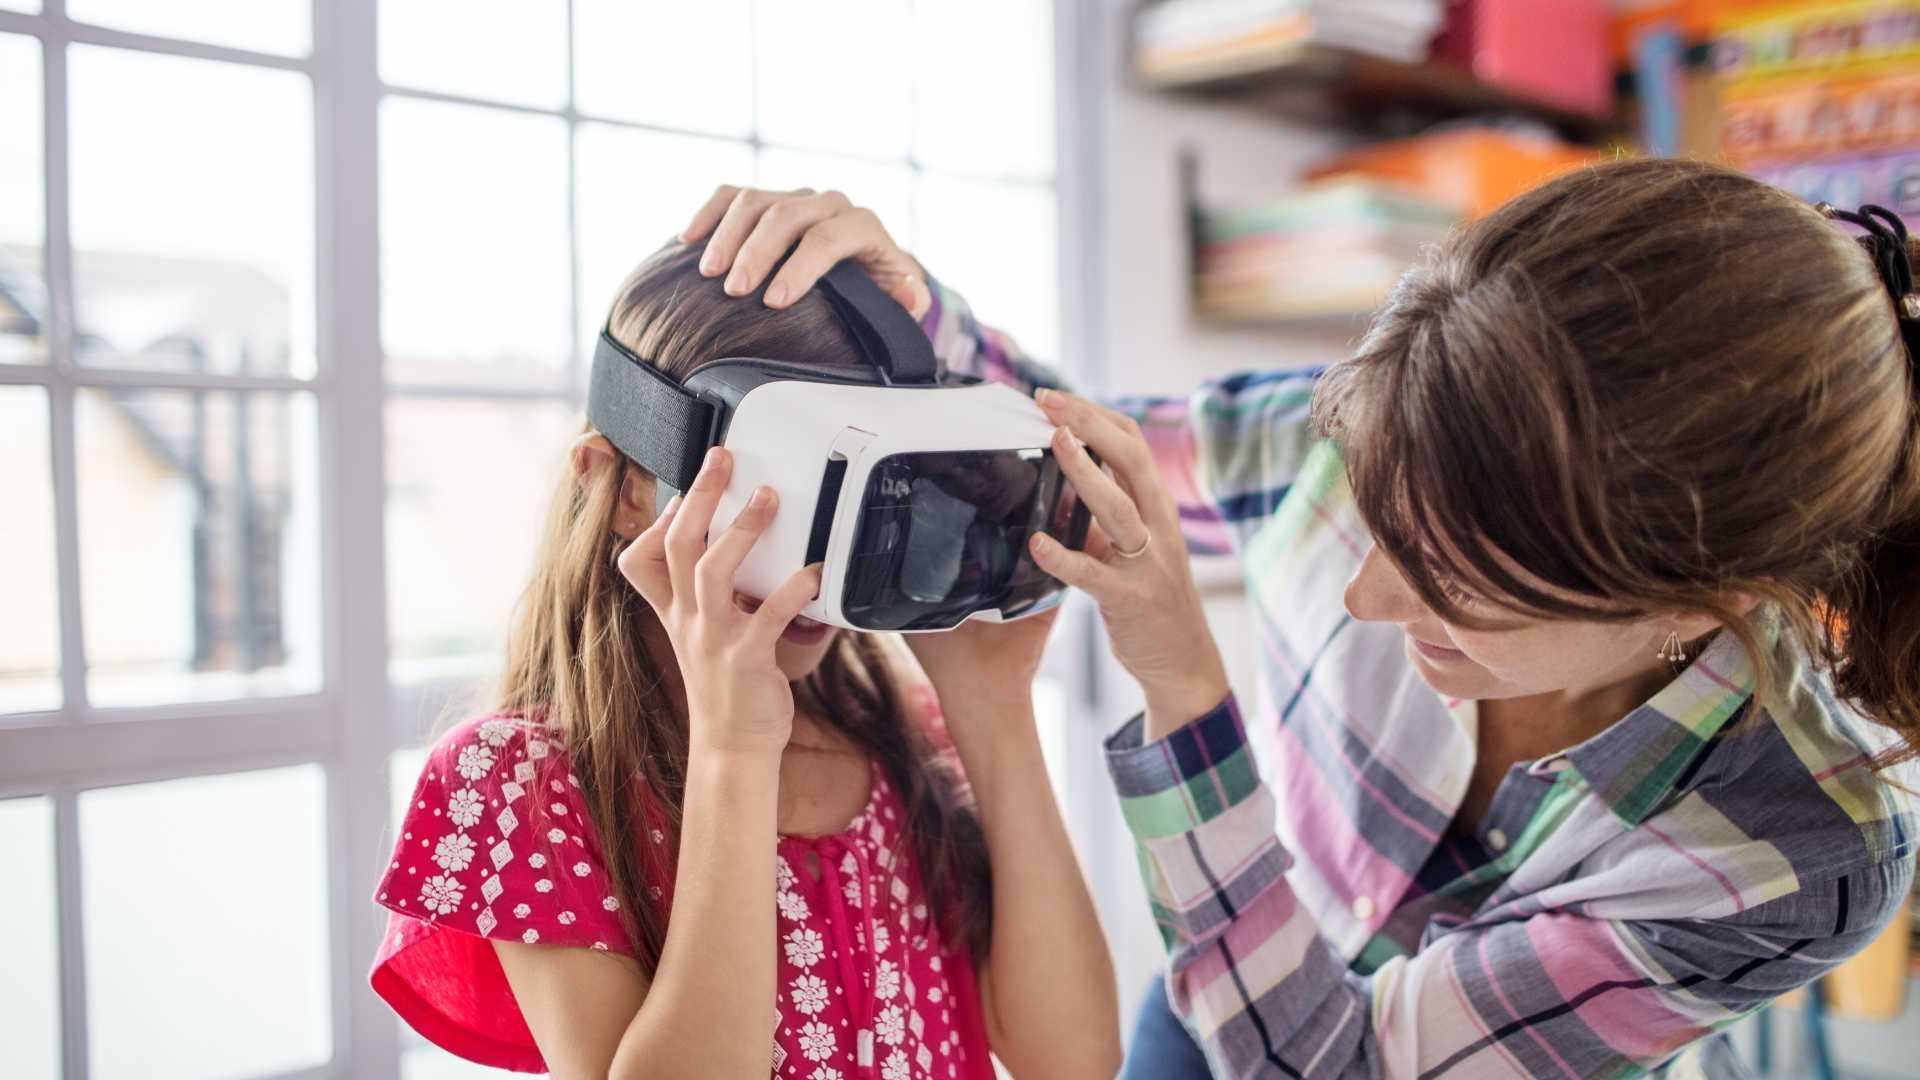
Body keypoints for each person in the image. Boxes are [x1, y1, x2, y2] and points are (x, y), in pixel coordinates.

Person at [689, 158, 1920, 1078]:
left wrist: (1183, 692)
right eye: (1371, 512)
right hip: (1214, 971)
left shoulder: (1805, 852)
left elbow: (1339, 1068)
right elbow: (1082, 447)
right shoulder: (1365, 438)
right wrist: (908, 308)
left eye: (1455, 581)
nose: (1364, 594)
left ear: (1704, 601)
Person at [369, 242, 1122, 1079]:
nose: (815, 570)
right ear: (619, 489)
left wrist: (995, 707)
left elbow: (1074, 1061)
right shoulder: (524, 782)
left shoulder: (908, 738)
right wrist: (734, 745)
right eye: (781, 499)